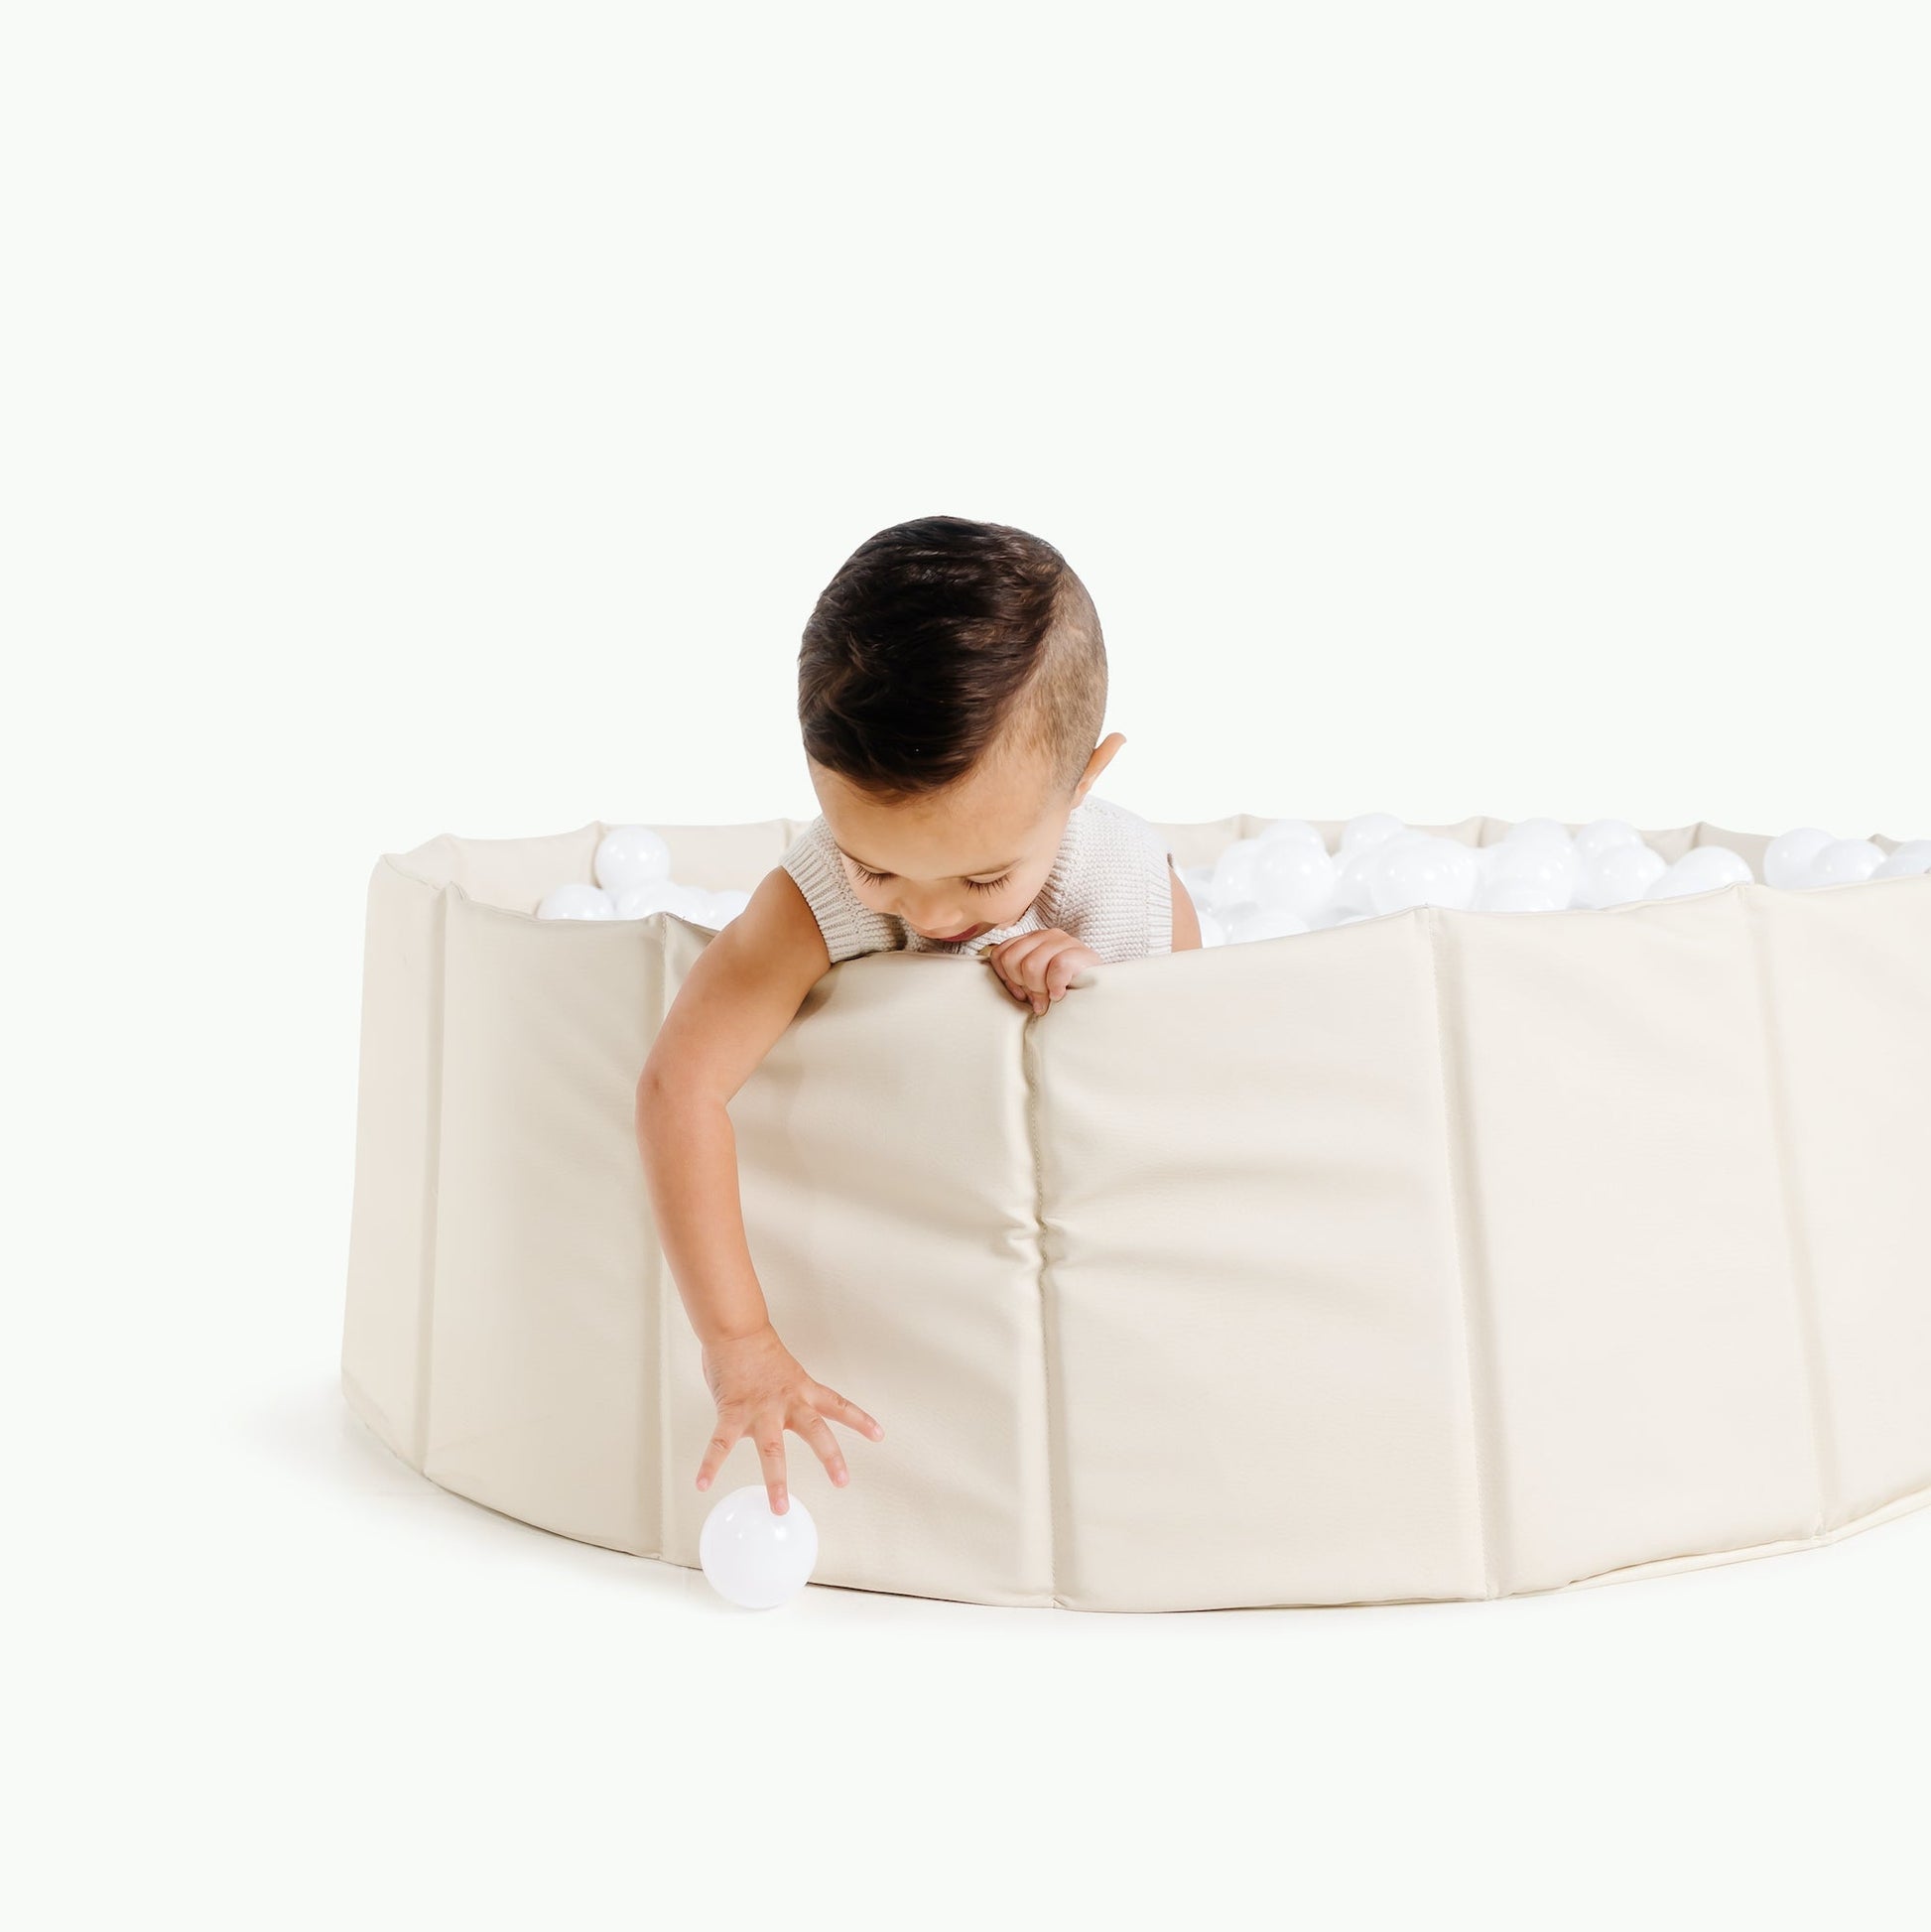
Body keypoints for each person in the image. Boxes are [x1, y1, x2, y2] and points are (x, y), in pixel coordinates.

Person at [634, 514, 1202, 1516]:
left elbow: (1200, 1080)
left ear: (1084, 781)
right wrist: (740, 1342)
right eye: (879, 867)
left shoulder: (1121, 883)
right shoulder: (813, 894)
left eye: (984, 876)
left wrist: (1097, 990)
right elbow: (680, 1085)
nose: (932, 914)